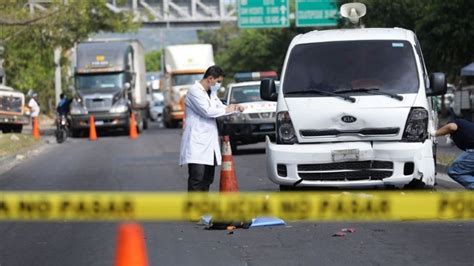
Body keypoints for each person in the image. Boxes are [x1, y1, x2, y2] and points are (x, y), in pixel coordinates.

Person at [179, 66, 244, 191]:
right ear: (210, 78)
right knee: (197, 179)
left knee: (207, 180)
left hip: (209, 143)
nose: (219, 85)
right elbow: (207, 111)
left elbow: (221, 108)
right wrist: (226, 109)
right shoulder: (194, 91)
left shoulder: (211, 93)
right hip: (196, 144)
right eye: (218, 82)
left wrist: (235, 108)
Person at [432, 118, 474, 189]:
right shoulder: (465, 128)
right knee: (469, 171)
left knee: (455, 171)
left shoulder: (454, 122)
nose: (447, 136)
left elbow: (452, 127)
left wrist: (435, 133)